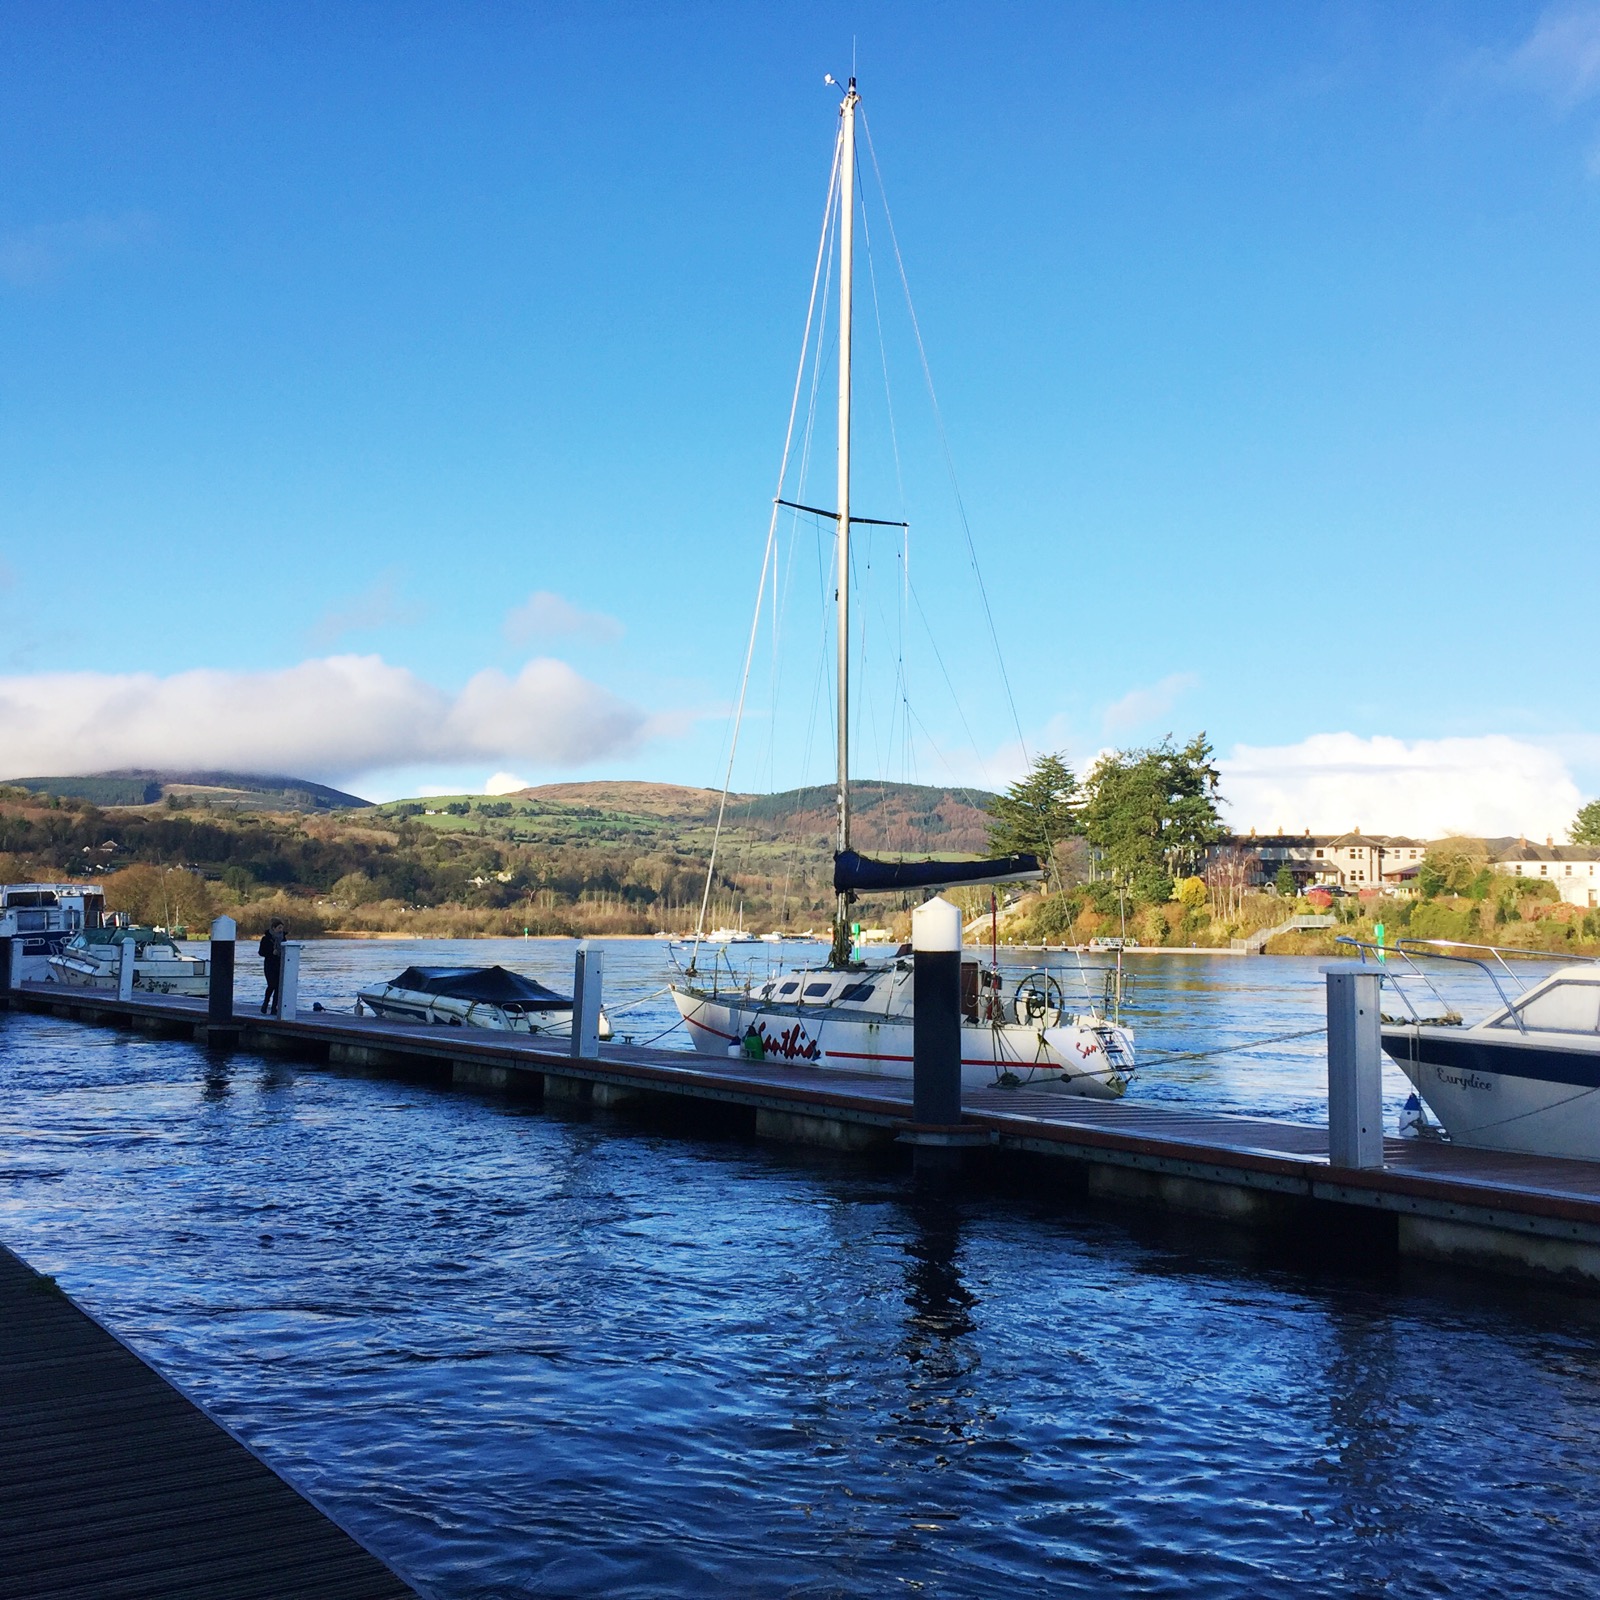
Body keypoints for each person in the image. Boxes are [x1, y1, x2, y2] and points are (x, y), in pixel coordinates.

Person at [259, 919, 287, 1014]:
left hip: (280, 964)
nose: (281, 930)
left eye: (282, 928)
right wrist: (271, 952)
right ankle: (265, 1004)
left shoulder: (283, 939)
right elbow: (261, 952)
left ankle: (274, 1008)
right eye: (279, 928)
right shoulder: (266, 939)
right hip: (269, 965)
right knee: (271, 985)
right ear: (273, 928)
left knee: (278, 986)